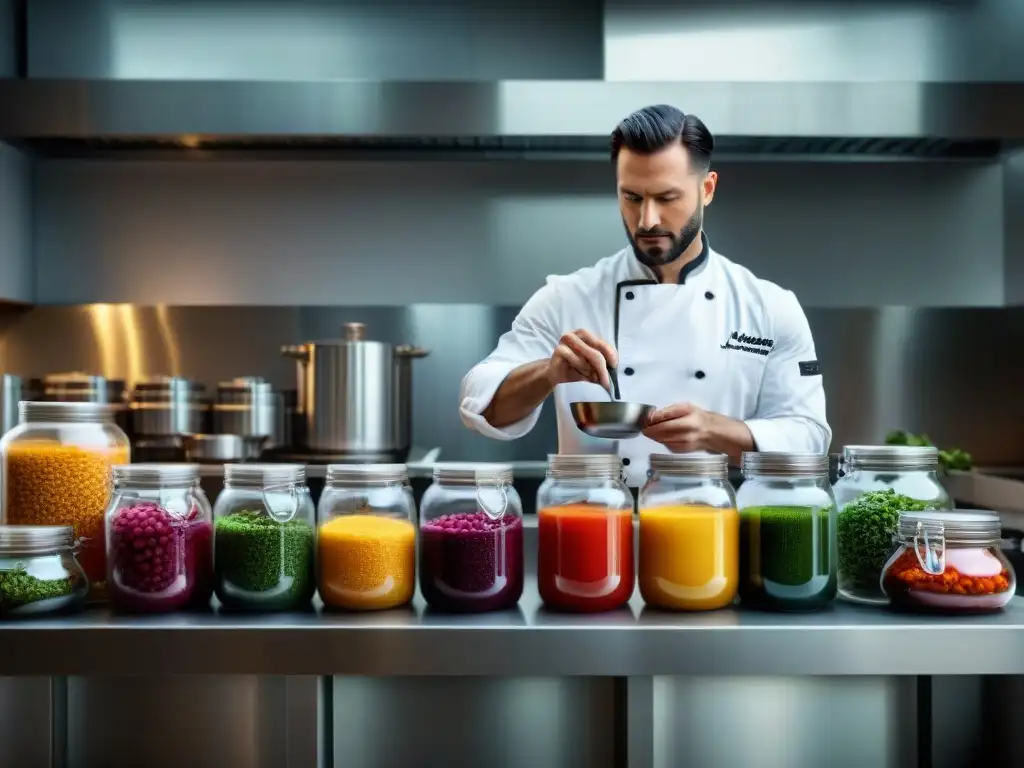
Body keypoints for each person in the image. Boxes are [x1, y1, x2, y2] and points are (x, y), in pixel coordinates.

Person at [459, 104, 831, 486]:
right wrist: (547, 372)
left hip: (712, 529)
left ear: (707, 190)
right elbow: (479, 404)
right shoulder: (566, 298)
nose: (647, 219)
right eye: (632, 198)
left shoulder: (770, 307)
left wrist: (713, 430)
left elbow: (809, 438)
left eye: (667, 198)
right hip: (594, 527)